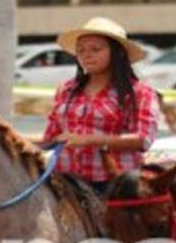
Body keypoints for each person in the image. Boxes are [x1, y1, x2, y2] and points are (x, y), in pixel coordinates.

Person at [42, 17, 162, 194]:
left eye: (95, 49)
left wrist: (89, 139)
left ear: (117, 53)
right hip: (66, 182)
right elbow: (51, 137)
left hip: (117, 185)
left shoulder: (140, 93)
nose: (86, 55)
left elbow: (143, 139)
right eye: (80, 50)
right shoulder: (66, 90)